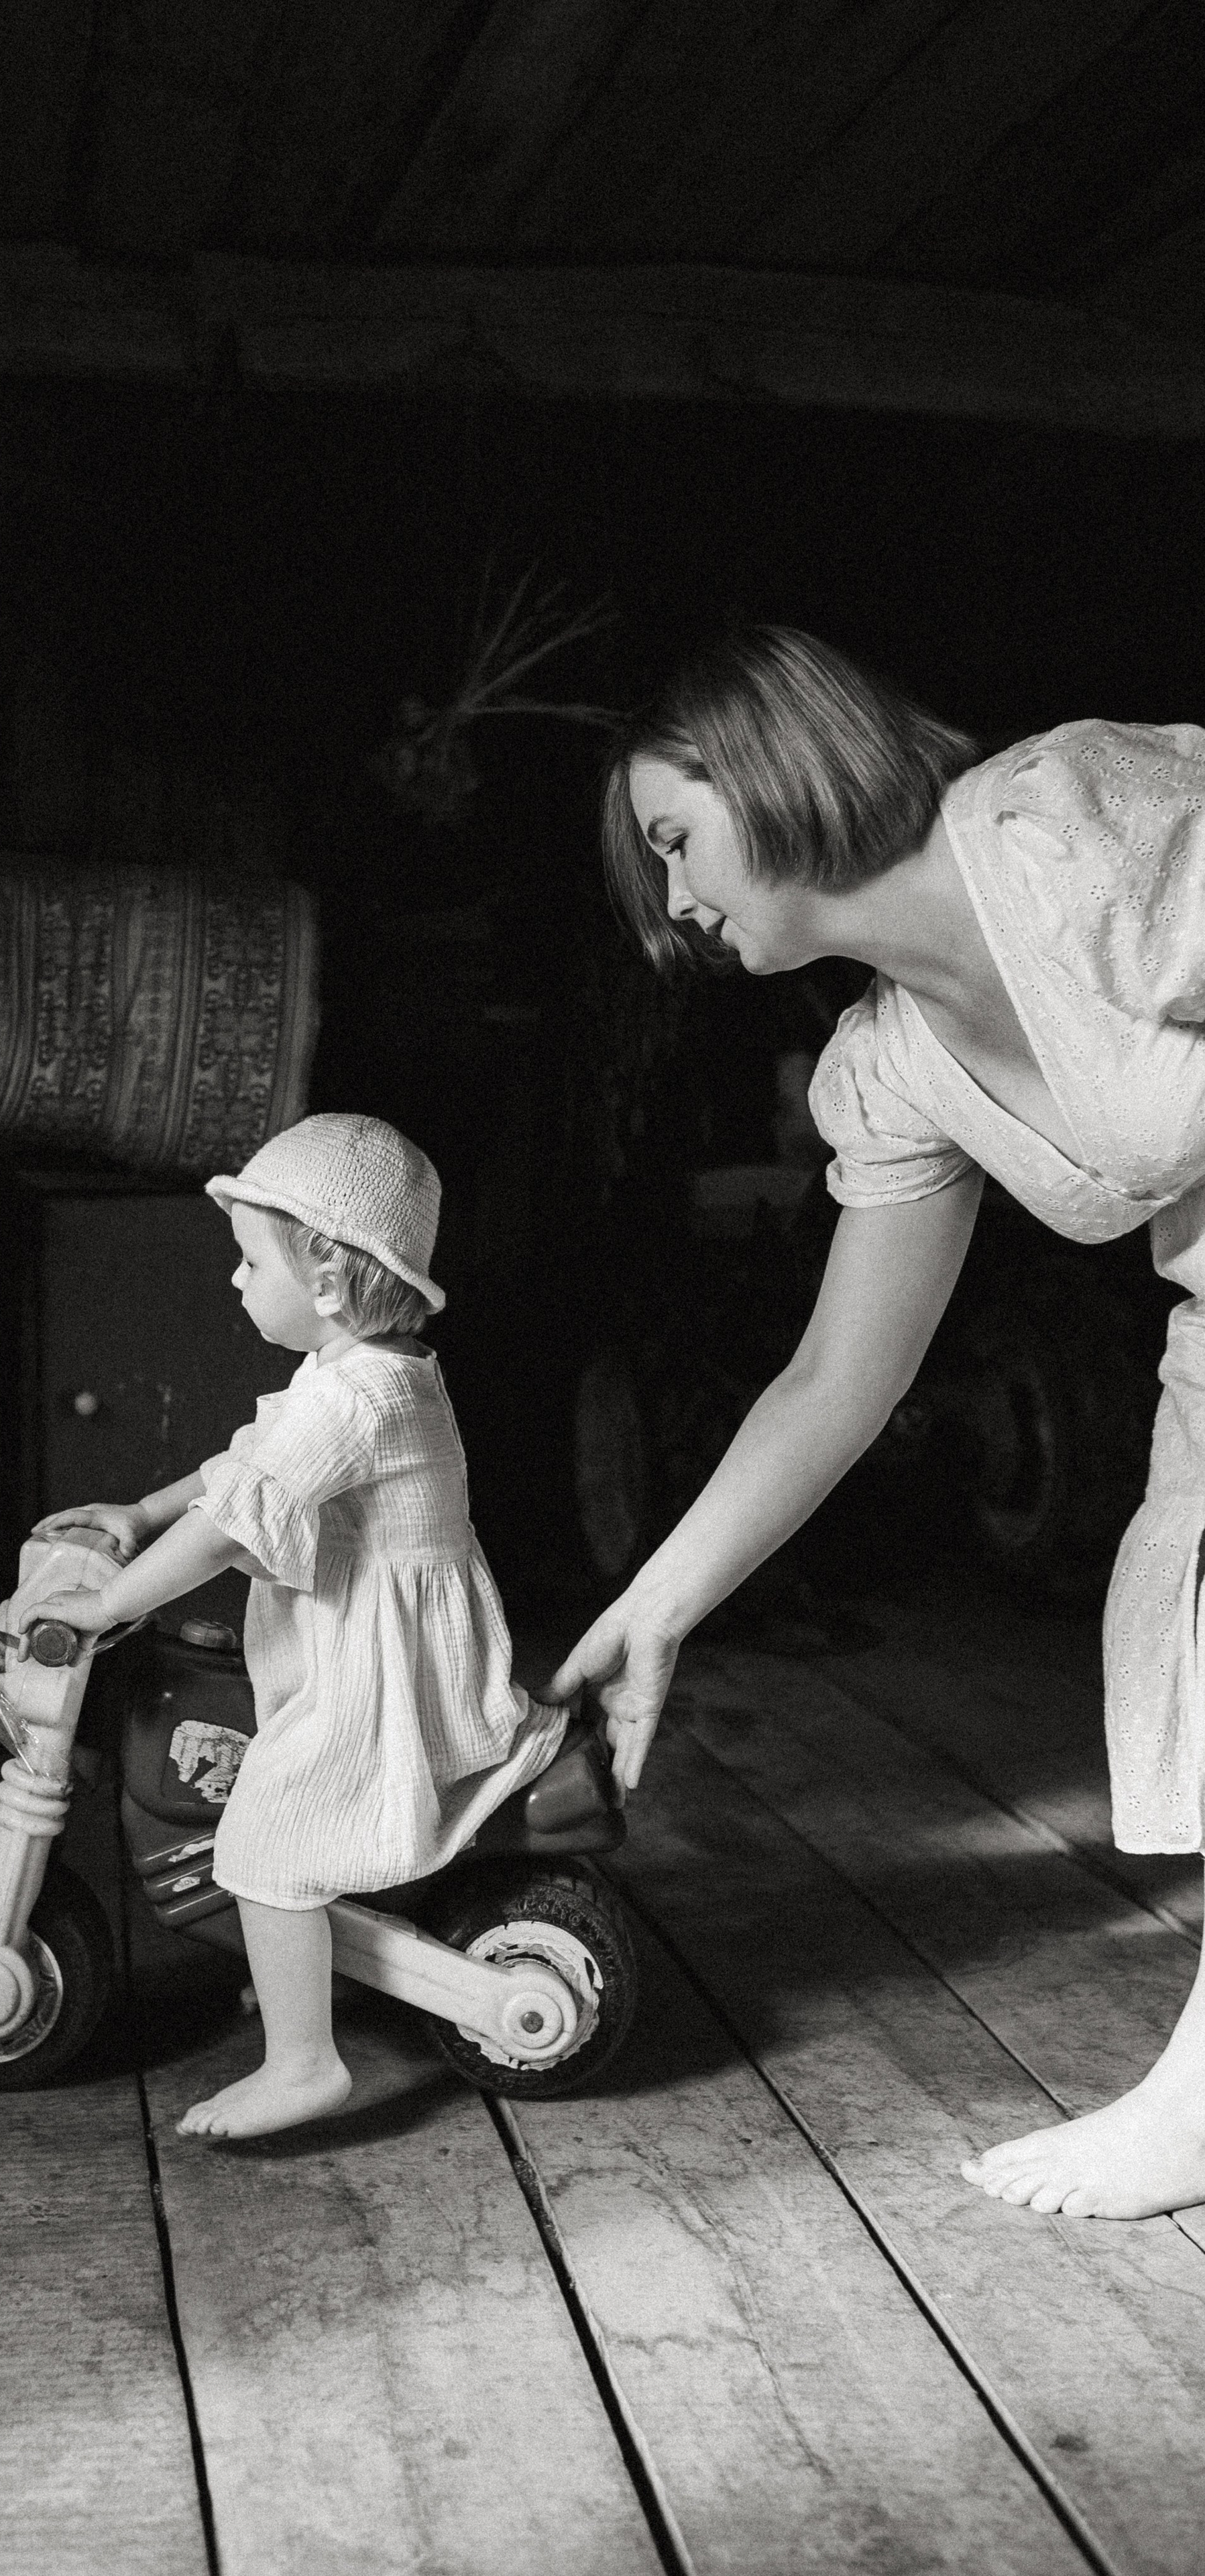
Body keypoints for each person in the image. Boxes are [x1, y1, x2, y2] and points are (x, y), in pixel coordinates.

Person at [549, 625, 1205, 2223]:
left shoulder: (1065, 826)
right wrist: (655, 1605)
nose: (675, 904)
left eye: (671, 839)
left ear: (768, 760)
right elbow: (837, 1378)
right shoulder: (890, 1064)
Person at [21, 1112, 567, 2141]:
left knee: (269, 1833)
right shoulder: (355, 1373)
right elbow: (246, 1461)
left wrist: (106, 1605)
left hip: (388, 1672)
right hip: (367, 1635)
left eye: (249, 1260)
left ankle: (305, 2064)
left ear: (325, 1277)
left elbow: (236, 1521)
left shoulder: (362, 1399)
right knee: (266, 1784)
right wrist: (138, 1516)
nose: (234, 1281)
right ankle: (303, 1977)